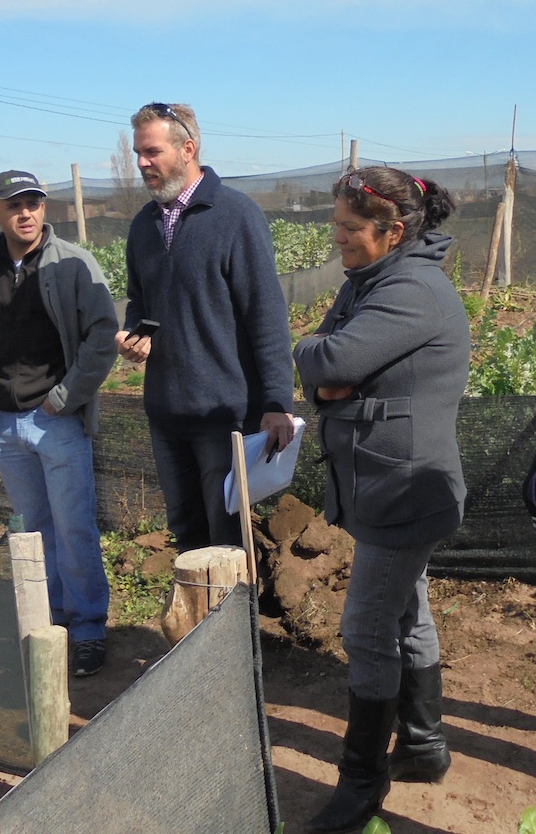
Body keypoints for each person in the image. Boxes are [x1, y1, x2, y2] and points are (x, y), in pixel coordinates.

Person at [293, 167, 471, 834]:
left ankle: (361, 782)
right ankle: (424, 746)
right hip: (387, 476)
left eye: (348, 227)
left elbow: (329, 364)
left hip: (404, 486)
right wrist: (324, 362)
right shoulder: (373, 281)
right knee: (408, 611)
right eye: (335, 224)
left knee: (365, 627)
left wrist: (323, 363)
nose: (335, 237)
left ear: (393, 231)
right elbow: (326, 358)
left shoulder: (411, 290)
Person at [0, 170, 120, 677]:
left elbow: (102, 336)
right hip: (5, 425)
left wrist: (63, 398)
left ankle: (90, 628)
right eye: (14, 205)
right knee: (34, 529)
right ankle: (52, 625)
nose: (25, 212)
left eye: (33, 203)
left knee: (74, 528)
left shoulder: (73, 263)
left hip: (56, 421)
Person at [115, 103, 295, 551]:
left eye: (152, 152)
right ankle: (203, 619)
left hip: (224, 415)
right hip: (166, 411)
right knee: (188, 534)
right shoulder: (143, 226)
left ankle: (237, 620)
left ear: (187, 148)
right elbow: (140, 301)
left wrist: (276, 402)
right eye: (139, 153)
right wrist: (136, 334)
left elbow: (266, 315)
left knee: (227, 536)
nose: (142, 162)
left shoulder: (235, 216)